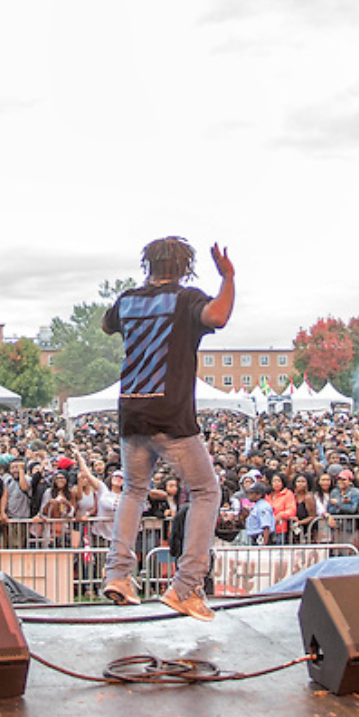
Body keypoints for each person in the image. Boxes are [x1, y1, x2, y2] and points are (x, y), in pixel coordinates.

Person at [99, 237, 235, 620]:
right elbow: (219, 316)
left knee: (134, 491)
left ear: (150, 265)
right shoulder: (187, 299)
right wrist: (228, 277)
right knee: (207, 491)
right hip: (170, 414)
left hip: (131, 412)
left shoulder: (127, 300)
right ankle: (186, 587)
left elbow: (107, 324)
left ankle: (118, 575)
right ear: (184, 267)